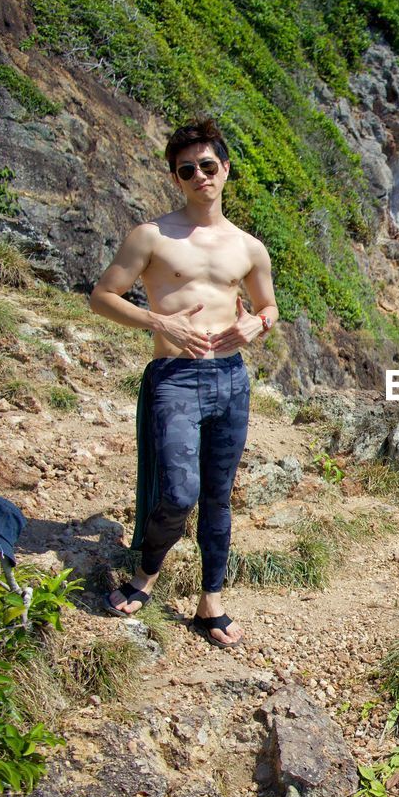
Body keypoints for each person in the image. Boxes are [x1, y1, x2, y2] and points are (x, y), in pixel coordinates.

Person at [89, 119, 278, 648]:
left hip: (230, 381)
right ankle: (146, 571)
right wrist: (160, 322)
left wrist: (256, 324)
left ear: (225, 170)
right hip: (173, 377)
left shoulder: (249, 247)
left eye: (208, 166)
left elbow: (268, 306)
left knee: (218, 497)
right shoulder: (152, 236)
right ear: (177, 178)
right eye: (186, 169)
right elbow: (103, 295)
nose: (199, 176)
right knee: (178, 489)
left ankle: (210, 601)